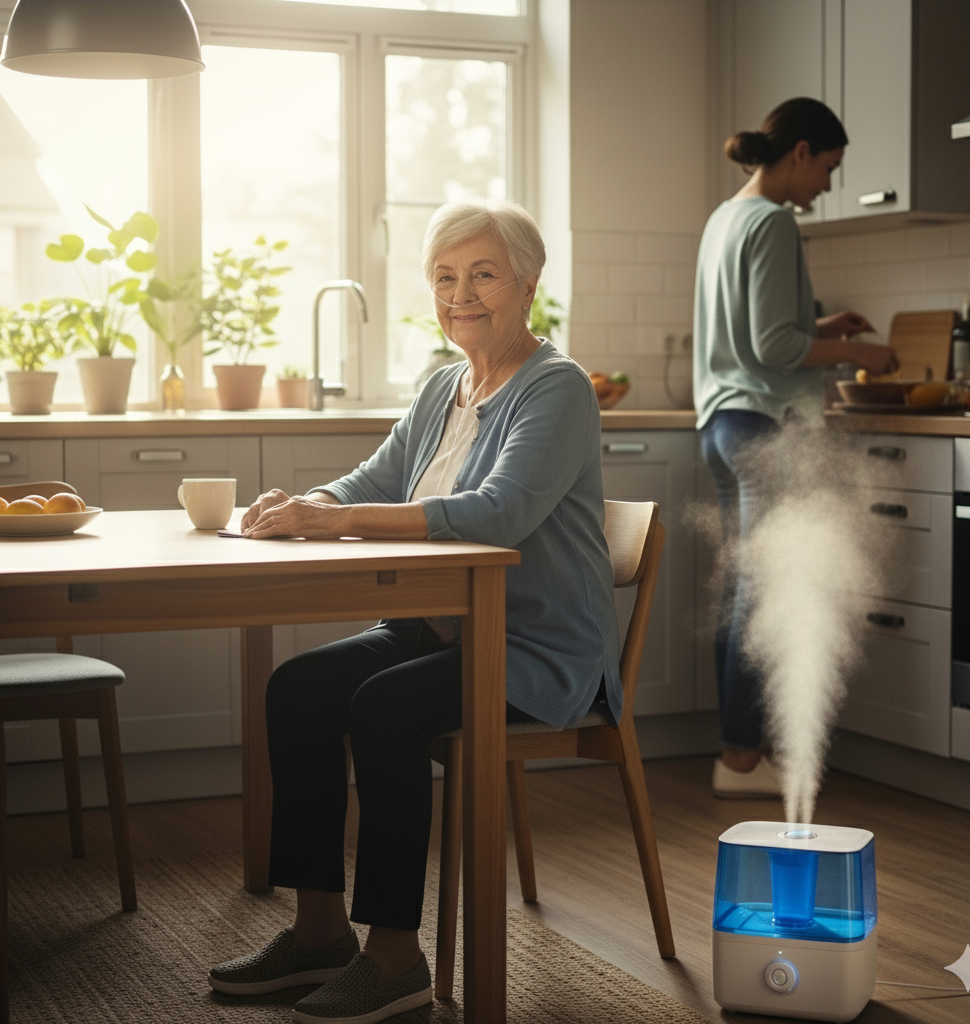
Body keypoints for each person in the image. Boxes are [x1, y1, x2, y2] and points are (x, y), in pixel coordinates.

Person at [206, 198, 621, 1024]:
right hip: (439, 625)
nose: (460, 294)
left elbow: (498, 512)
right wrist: (309, 501)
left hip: (533, 649)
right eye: (444, 278)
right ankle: (319, 932)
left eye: (482, 275)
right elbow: (376, 479)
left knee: (385, 708)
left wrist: (339, 520)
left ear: (529, 283)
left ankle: (394, 957)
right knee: (300, 688)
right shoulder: (445, 386)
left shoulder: (558, 388)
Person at [693, 97, 899, 800]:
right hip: (761, 421)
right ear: (802, 151)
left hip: (721, 424)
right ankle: (744, 758)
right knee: (765, 591)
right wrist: (858, 348)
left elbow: (758, 326)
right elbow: (775, 346)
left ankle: (736, 749)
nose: (828, 187)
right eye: (831, 169)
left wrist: (823, 320)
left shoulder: (726, 216)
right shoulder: (776, 222)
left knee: (744, 587)